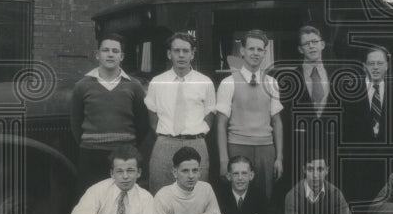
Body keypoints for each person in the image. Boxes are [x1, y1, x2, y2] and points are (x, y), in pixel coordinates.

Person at [70, 34, 150, 191]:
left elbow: (142, 123)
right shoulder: (82, 86)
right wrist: (90, 143)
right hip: (91, 155)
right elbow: (75, 123)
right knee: (92, 200)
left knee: (123, 198)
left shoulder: (134, 86)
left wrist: (127, 145)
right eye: (105, 50)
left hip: (124, 155)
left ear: (122, 56)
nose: (110, 54)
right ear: (97, 54)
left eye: (115, 51)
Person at [215, 29, 284, 201]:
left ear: (264, 53)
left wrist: (279, 158)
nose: (255, 53)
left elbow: (277, 123)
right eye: (251, 49)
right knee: (236, 197)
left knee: (264, 197)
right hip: (237, 146)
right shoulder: (228, 82)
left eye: (259, 50)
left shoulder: (272, 83)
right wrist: (224, 160)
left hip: (266, 149)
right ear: (242, 51)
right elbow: (221, 124)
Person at [145, 32, 217, 192]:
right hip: (165, 144)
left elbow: (210, 115)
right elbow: (152, 119)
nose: (181, 55)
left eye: (186, 51)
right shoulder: (157, 82)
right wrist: (166, 136)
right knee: (160, 193)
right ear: (169, 54)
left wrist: (196, 134)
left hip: (196, 143)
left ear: (192, 54)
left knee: (196, 194)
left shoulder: (205, 82)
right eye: (177, 51)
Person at [278, 25, 342, 192]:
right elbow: (285, 119)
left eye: (315, 42)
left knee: (333, 189)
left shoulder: (337, 74)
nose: (312, 46)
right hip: (301, 147)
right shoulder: (289, 79)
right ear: (300, 49)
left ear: (322, 44)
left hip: (332, 145)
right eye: (307, 44)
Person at [341, 46, 393, 206]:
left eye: (380, 63)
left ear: (387, 65)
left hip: (388, 166)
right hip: (358, 167)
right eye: (371, 63)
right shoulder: (350, 95)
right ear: (364, 66)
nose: (376, 67)